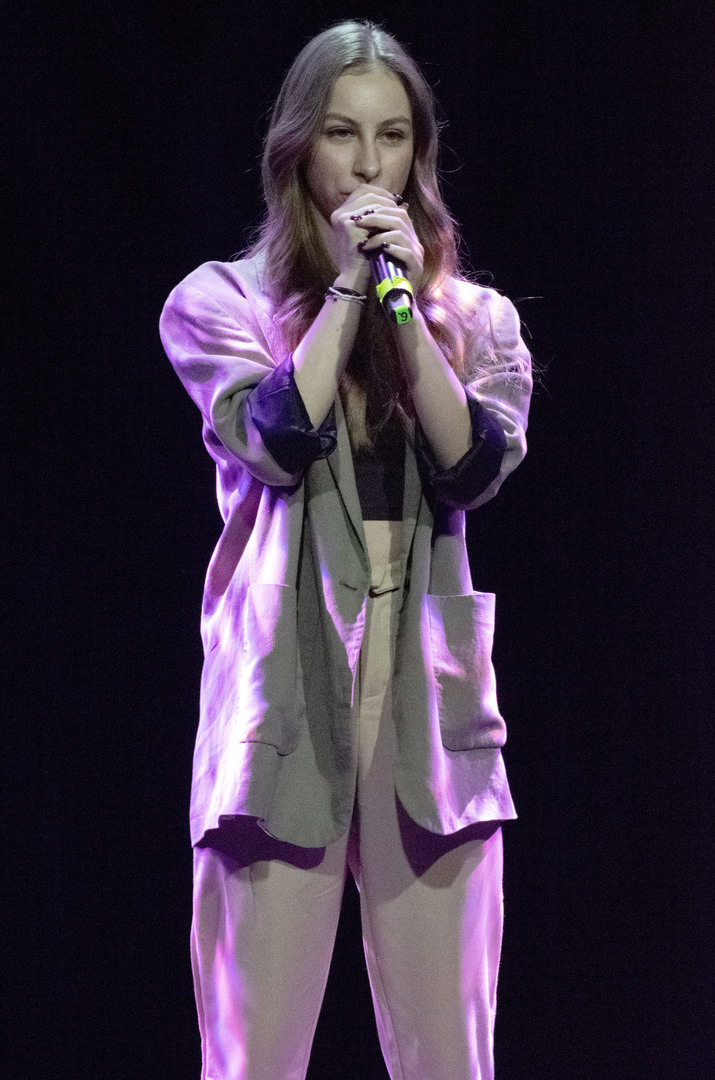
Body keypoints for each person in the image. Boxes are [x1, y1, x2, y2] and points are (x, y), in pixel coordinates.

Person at [160, 19, 531, 1080]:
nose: (369, 166)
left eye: (392, 136)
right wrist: (341, 293)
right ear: (298, 148)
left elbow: (471, 466)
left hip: (429, 697)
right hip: (282, 692)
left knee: (449, 1057)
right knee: (254, 1058)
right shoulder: (219, 302)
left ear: (419, 154)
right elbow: (273, 438)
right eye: (341, 133)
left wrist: (404, 314)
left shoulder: (477, 320)